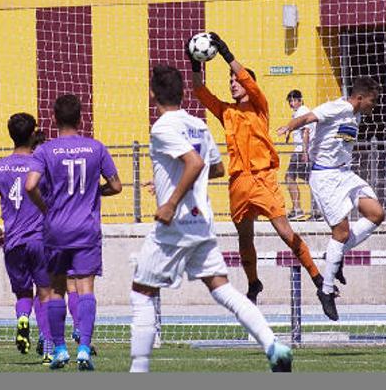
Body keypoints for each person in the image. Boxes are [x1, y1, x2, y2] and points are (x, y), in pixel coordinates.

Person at [129, 65, 292, 372]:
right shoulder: (198, 126)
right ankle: (273, 345)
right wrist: (170, 177)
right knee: (222, 289)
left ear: (153, 93)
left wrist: (170, 201)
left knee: (141, 292)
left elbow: (194, 162)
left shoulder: (163, 127)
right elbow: (215, 169)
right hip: (201, 223)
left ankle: (139, 370)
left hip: (174, 224)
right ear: (181, 93)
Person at [190, 33, 322, 302]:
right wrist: (193, 62)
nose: (233, 83)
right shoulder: (227, 112)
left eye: (236, 80)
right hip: (239, 182)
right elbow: (200, 92)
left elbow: (248, 81)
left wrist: (227, 54)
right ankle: (254, 283)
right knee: (244, 238)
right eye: (230, 81)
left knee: (285, 232)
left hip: (263, 179)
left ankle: (318, 278)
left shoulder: (260, 107)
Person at [25, 94, 122, 370]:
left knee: (56, 289)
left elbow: (31, 185)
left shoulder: (45, 151)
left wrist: (47, 208)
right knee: (86, 288)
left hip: (56, 229)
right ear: (81, 118)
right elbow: (116, 186)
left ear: (54, 118)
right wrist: (94, 193)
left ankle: (58, 349)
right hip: (86, 229)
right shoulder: (96, 148)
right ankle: (83, 348)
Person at [277, 77, 386, 321]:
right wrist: (289, 126)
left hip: (345, 174)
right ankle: (326, 291)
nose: (374, 105)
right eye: (372, 100)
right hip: (325, 178)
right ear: (360, 98)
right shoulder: (338, 108)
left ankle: (334, 257)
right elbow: (308, 118)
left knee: (377, 214)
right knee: (341, 232)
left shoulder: (356, 115)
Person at [0, 113, 53, 364]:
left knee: (23, 293)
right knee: (45, 293)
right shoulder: (40, 164)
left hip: (13, 242)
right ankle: (48, 346)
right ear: (33, 134)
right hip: (39, 240)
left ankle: (23, 318)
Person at [284, 90, 313, 221]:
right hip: (302, 150)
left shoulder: (302, 111)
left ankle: (297, 209)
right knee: (311, 180)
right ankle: (317, 211)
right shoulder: (300, 112)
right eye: (290, 101)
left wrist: (304, 152)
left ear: (300, 100)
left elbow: (306, 131)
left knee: (289, 177)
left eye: (293, 100)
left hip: (300, 151)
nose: (291, 103)